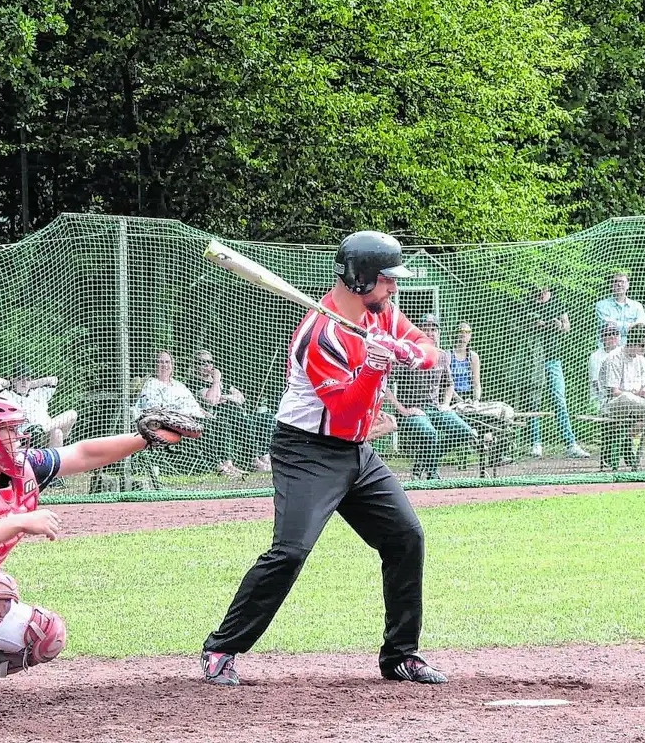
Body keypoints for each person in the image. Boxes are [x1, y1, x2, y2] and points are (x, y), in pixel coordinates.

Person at [201, 231, 451, 688]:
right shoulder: (320, 335)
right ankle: (222, 647)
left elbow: (434, 355)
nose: (393, 288)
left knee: (406, 537)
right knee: (291, 551)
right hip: (308, 452)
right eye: (386, 280)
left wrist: (403, 351)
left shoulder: (382, 314)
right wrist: (374, 367)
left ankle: (401, 654)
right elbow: (346, 411)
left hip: (357, 453)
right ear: (360, 279)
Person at [0, 392, 201, 717]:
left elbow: (83, 454)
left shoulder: (20, 469)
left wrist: (142, 439)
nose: (19, 435)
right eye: (7, 429)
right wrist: (18, 522)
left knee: (44, 634)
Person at [382, 314, 476, 480]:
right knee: (430, 433)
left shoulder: (442, 356)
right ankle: (431, 474)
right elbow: (383, 384)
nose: (431, 332)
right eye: (426, 329)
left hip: (435, 408)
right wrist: (402, 410)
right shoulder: (408, 355)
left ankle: (421, 462)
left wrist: (446, 403)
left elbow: (449, 384)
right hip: (413, 411)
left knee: (466, 432)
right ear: (419, 332)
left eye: (434, 329)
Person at [525, 285, 587, 459]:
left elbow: (567, 327)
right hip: (533, 359)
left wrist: (559, 325)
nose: (540, 288)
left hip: (553, 358)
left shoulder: (557, 302)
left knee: (559, 399)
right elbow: (522, 325)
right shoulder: (527, 302)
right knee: (533, 400)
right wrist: (537, 325)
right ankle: (535, 443)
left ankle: (570, 443)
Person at [133, 350, 209, 474]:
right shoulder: (151, 384)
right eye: (160, 362)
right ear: (155, 365)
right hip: (169, 423)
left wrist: (204, 412)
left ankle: (227, 463)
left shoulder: (179, 386)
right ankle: (219, 466)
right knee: (207, 427)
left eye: (167, 362)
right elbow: (153, 408)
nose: (164, 365)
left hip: (193, 419)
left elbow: (193, 404)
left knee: (218, 422)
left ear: (172, 365)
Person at [599, 324, 645, 469]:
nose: (644, 349)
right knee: (627, 398)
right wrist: (638, 394)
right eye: (641, 345)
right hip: (612, 404)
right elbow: (614, 392)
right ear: (632, 341)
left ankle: (626, 438)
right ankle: (622, 443)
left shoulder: (642, 360)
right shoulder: (615, 357)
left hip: (638, 404)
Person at [194, 348, 256, 479]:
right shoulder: (194, 382)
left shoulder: (223, 383)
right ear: (195, 365)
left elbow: (241, 398)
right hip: (212, 417)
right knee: (228, 419)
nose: (207, 365)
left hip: (233, 414)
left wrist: (225, 397)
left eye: (209, 362)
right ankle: (228, 464)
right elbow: (211, 400)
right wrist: (216, 381)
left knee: (257, 418)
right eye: (202, 362)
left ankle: (257, 458)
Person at [0, 365, 77, 448]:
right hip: (27, 435)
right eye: (20, 378)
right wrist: (10, 383)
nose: (24, 382)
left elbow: (53, 380)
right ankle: (40, 431)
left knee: (69, 419)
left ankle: (42, 429)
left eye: (27, 379)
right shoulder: (9, 396)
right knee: (57, 433)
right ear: (13, 379)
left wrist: (31, 384)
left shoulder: (38, 393)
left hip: (44, 432)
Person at [594, 271, 645, 339]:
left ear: (628, 285)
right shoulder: (602, 305)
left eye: (622, 282)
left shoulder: (637, 306)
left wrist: (617, 324)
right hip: (609, 348)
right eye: (616, 281)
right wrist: (633, 326)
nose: (619, 284)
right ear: (611, 285)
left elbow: (643, 327)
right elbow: (609, 328)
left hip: (631, 347)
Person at [587, 323, 623, 411]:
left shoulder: (623, 354)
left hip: (621, 396)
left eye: (615, 333)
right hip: (601, 401)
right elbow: (597, 384)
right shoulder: (596, 356)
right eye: (608, 334)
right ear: (602, 338)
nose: (612, 336)